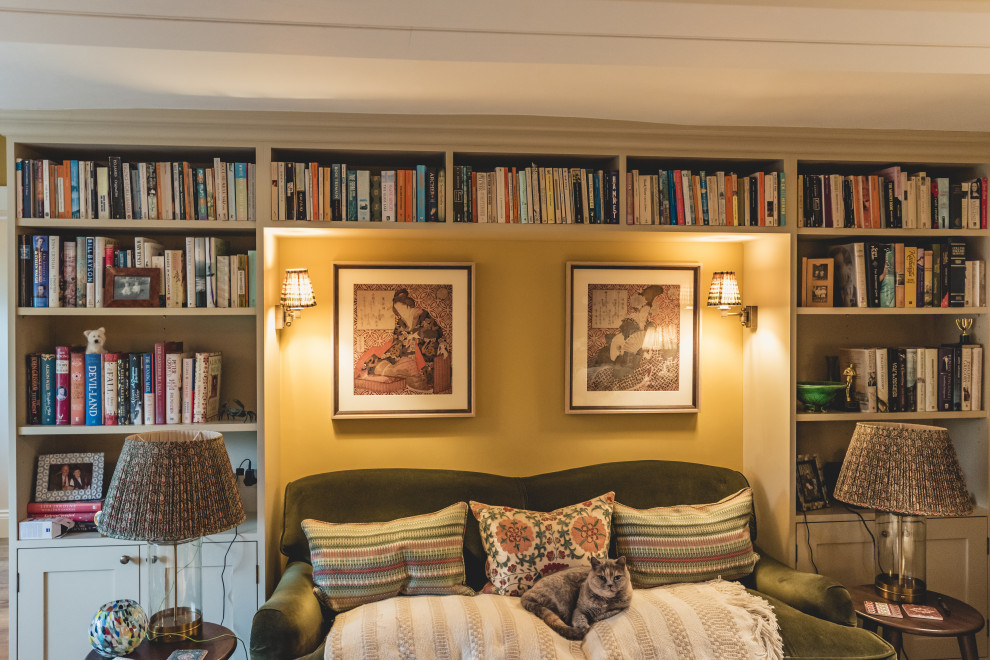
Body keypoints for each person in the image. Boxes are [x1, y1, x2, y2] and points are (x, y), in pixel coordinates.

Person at [358, 288, 446, 392]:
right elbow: (397, 338)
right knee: (380, 356)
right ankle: (397, 370)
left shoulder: (422, 315)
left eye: (402, 309)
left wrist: (417, 335)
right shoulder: (401, 322)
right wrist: (405, 339)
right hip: (403, 349)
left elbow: (437, 332)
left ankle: (414, 375)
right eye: (398, 311)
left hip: (424, 346)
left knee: (413, 351)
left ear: (409, 306)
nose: (401, 313)